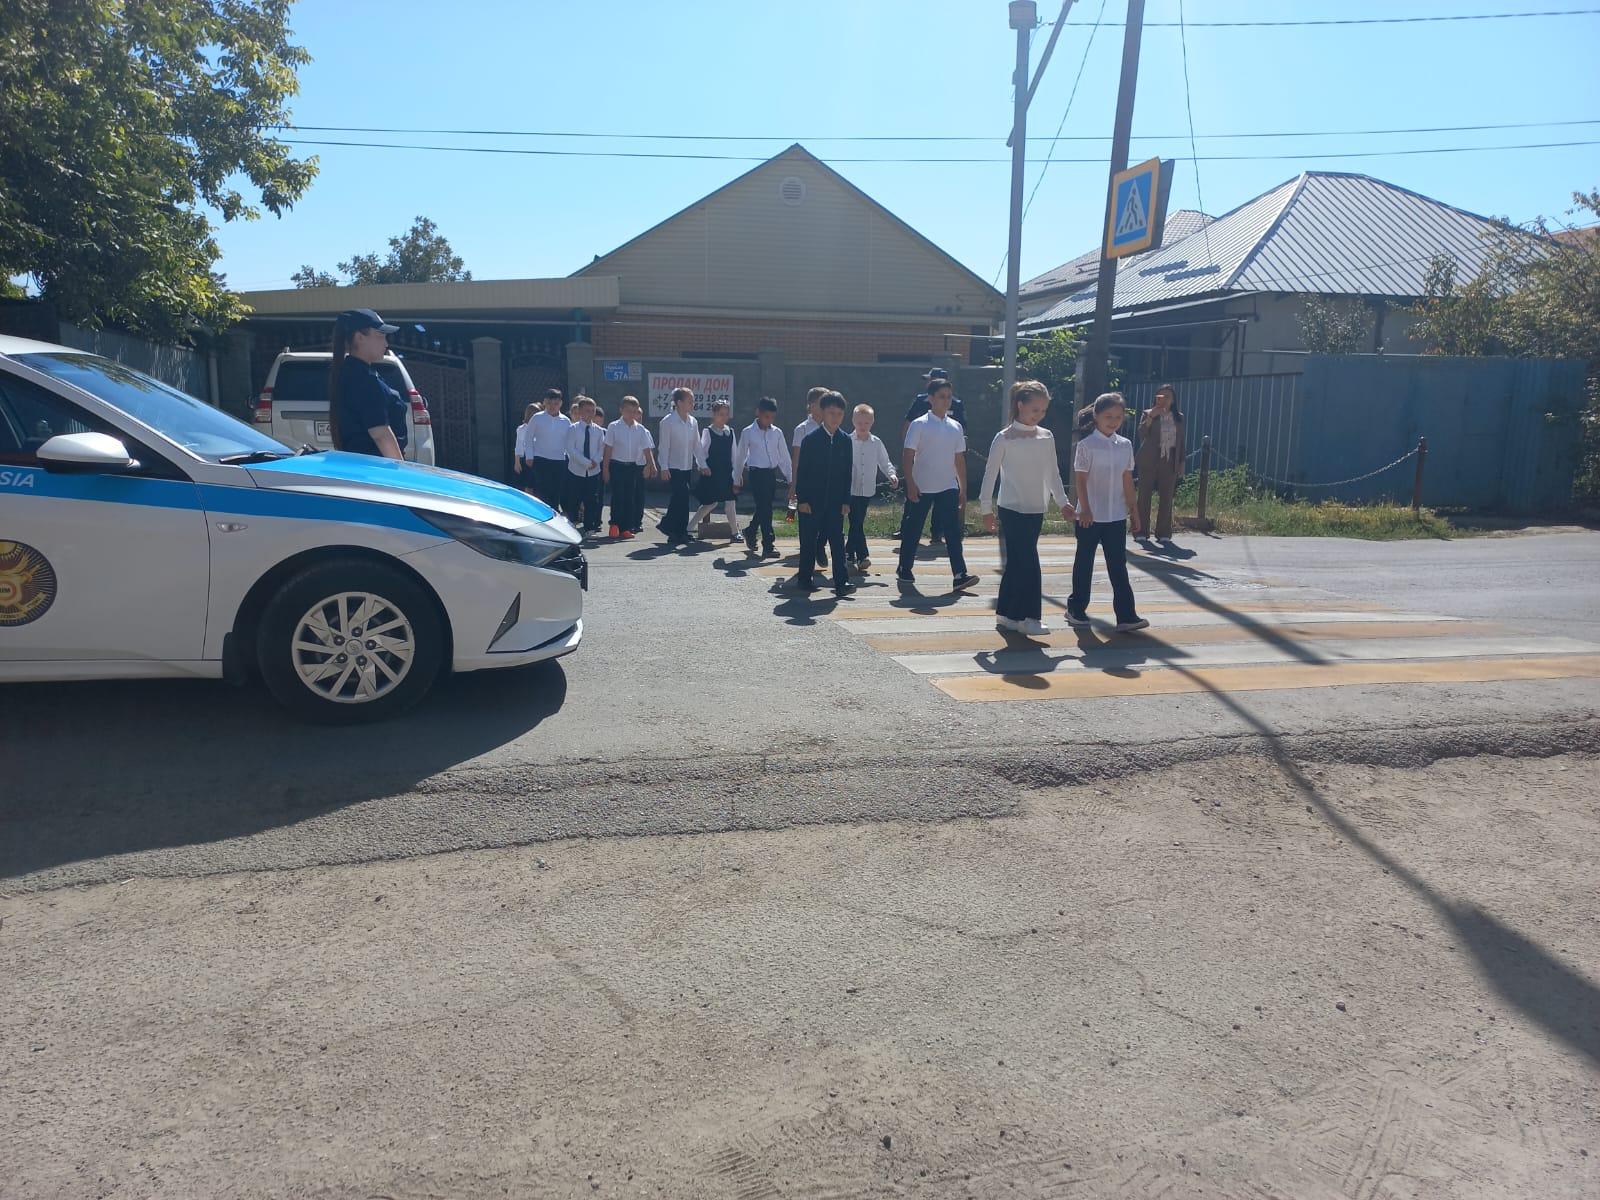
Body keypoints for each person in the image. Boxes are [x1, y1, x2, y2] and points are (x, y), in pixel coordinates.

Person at [979, 380, 1074, 635]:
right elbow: (990, 474)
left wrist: (1062, 502)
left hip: (1036, 508)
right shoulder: (1004, 437)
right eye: (1035, 409)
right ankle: (1029, 617)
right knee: (1029, 563)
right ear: (1020, 405)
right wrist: (986, 509)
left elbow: (1053, 473)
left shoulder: (1046, 436)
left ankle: (1006, 614)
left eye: (1043, 410)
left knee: (1017, 562)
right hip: (1011, 508)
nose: (1039, 415)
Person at [1067, 392, 1148, 632]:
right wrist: (1085, 509)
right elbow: (1080, 481)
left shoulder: (1125, 445)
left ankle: (1126, 616)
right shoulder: (1086, 445)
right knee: (1084, 563)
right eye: (1108, 416)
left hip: (1115, 516)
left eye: (1118, 417)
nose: (1113, 421)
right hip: (1090, 516)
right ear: (1096, 416)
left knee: (1118, 566)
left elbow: (1127, 480)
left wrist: (1134, 511)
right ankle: (1076, 608)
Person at [897, 379, 979, 592]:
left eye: (949, 396)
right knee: (913, 528)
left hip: (947, 487)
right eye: (942, 396)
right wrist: (910, 483)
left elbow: (959, 459)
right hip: (922, 487)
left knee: (952, 531)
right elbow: (908, 455)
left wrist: (963, 488)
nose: (946, 400)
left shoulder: (955, 426)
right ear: (931, 399)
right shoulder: (919, 424)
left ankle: (959, 574)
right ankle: (904, 567)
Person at [794, 391, 854, 596]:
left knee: (837, 542)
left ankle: (842, 582)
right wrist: (802, 499)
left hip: (836, 502)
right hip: (811, 501)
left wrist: (846, 500)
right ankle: (804, 579)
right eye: (831, 413)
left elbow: (847, 473)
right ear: (822, 413)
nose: (835, 418)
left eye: (839, 414)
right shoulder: (811, 439)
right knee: (809, 541)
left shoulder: (845, 440)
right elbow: (802, 472)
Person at [902, 368, 966, 545]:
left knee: (950, 525)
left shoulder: (957, 406)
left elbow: (961, 440)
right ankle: (905, 535)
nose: (928, 383)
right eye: (941, 396)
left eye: (931, 379)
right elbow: (908, 424)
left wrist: (963, 487)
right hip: (922, 473)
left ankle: (937, 532)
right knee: (914, 521)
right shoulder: (920, 402)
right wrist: (909, 446)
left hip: (946, 476)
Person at [329, 308, 405, 460]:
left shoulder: (350, 373)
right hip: (376, 467)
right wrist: (400, 469)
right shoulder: (364, 381)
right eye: (380, 336)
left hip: (362, 465)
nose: (386, 343)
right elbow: (381, 435)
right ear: (360, 337)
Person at [734, 397, 789, 558]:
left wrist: (790, 477)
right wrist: (736, 479)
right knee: (766, 508)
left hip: (771, 474)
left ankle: (750, 531)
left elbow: (784, 457)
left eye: (772, 417)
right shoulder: (748, 432)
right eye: (766, 417)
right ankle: (768, 544)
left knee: (764, 507)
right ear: (758, 413)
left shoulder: (777, 432)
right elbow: (740, 456)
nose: (769, 420)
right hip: (756, 474)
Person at [846, 403, 897, 571]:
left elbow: (884, 461)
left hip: (866, 489)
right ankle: (860, 555)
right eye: (859, 423)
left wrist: (891, 474)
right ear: (853, 421)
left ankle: (851, 554)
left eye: (866, 423)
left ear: (872, 422)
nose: (863, 426)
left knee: (857, 522)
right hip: (850, 488)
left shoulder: (876, 442)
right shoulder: (847, 441)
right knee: (856, 521)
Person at [1135, 382, 1186, 541]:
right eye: (1161, 396)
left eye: (1168, 397)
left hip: (1169, 461)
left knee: (1166, 498)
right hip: (1149, 460)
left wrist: (1181, 463)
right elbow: (1141, 433)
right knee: (1144, 497)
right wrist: (1151, 416)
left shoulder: (1179, 417)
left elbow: (1181, 441)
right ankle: (1140, 532)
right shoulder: (1148, 413)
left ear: (1173, 400)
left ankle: (1163, 533)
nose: (1164, 399)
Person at [604, 395, 656, 539]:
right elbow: (608, 449)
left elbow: (647, 449)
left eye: (634, 411)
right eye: (628, 410)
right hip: (617, 465)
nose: (631, 414)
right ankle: (614, 525)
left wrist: (651, 464)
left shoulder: (640, 429)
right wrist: (606, 469)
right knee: (618, 496)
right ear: (621, 410)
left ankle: (626, 528)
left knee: (630, 498)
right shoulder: (613, 426)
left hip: (632, 467)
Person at [789, 386, 830, 569]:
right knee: (807, 522)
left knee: (827, 520)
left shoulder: (830, 426)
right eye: (822, 403)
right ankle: (807, 560)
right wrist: (794, 484)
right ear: (812, 405)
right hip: (808, 483)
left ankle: (820, 545)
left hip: (827, 482)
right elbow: (796, 459)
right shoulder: (802, 429)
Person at [690, 399, 742, 542]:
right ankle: (689, 527)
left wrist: (737, 474)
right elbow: (701, 452)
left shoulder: (730, 432)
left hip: (727, 473)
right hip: (712, 473)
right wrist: (703, 466)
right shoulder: (708, 432)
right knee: (710, 503)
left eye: (726, 414)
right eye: (721, 414)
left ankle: (735, 532)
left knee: (730, 502)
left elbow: (734, 455)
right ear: (714, 414)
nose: (724, 417)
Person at [656, 387, 700, 544]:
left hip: (686, 466)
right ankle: (669, 526)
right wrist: (664, 467)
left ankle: (678, 531)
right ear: (679, 403)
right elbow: (663, 447)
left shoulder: (693, 422)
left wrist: (702, 464)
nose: (692, 404)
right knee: (681, 496)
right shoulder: (667, 422)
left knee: (683, 500)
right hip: (673, 467)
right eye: (689, 401)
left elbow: (697, 445)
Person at [523, 388, 572, 507]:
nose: (552, 406)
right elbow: (528, 437)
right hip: (541, 459)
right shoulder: (537, 417)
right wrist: (529, 455)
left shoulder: (566, 421)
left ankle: (554, 513)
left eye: (556, 403)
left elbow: (569, 442)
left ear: (560, 403)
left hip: (559, 460)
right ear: (544, 402)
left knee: (556, 490)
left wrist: (571, 459)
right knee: (542, 490)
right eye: (549, 403)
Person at [563, 396, 605, 535]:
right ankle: (572, 524)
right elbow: (571, 448)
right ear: (580, 412)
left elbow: (601, 448)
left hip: (593, 471)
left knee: (591, 500)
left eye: (592, 410)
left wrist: (595, 461)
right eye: (587, 410)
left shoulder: (598, 430)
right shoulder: (573, 429)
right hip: (576, 470)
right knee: (574, 498)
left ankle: (589, 527)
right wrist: (586, 462)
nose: (590, 413)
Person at [511, 401, 539, 487]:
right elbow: (518, 446)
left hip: (538, 458)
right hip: (525, 459)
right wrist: (517, 462)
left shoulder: (541, 428)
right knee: (527, 484)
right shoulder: (521, 429)